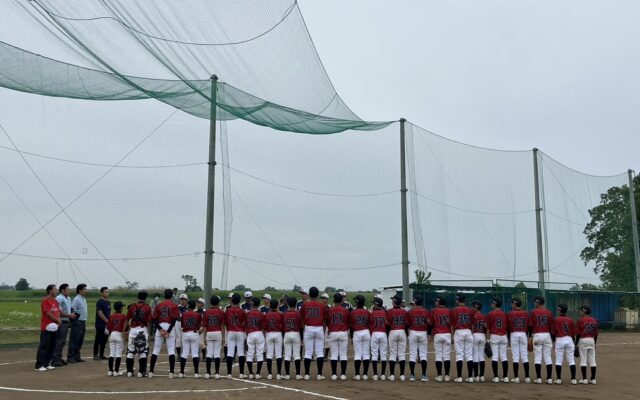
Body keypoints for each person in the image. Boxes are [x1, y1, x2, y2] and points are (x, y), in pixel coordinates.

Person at [148, 288, 180, 379]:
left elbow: (154, 319)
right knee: (171, 350)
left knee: (156, 350)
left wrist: (160, 329)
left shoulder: (159, 305)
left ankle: (151, 372)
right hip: (170, 326)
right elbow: (174, 319)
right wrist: (168, 331)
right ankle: (171, 373)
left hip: (160, 325)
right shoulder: (174, 305)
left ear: (164, 295)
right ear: (172, 295)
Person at [300, 286, 326, 380]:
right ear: (317, 294)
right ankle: (319, 374)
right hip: (319, 328)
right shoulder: (322, 305)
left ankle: (307, 374)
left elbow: (302, 318)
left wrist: (304, 328)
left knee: (308, 352)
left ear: (309, 294)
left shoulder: (305, 304)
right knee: (319, 352)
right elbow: (324, 319)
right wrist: (323, 330)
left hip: (308, 327)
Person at [125, 291, 152, 377]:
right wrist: (149, 333)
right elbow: (149, 322)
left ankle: (129, 372)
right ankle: (141, 372)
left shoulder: (132, 306)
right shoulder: (147, 307)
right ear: (145, 298)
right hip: (142, 329)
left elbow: (127, 319)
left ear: (138, 297)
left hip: (133, 330)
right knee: (143, 350)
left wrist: (124, 331)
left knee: (130, 350)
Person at [35, 284, 61, 371]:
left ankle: (46, 363)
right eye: (55, 289)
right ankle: (39, 365)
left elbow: (57, 312)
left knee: (52, 346)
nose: (56, 291)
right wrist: (57, 320)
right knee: (44, 346)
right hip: (46, 327)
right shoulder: (45, 301)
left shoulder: (56, 301)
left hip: (54, 327)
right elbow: (48, 313)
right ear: (50, 291)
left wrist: (58, 322)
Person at [529, 296, 554, 384]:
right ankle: (549, 378)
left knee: (538, 357)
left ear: (537, 302)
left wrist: (530, 336)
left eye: (535, 302)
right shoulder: (549, 312)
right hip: (547, 335)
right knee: (548, 357)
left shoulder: (533, 312)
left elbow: (531, 325)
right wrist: (552, 338)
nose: (534, 303)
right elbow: (551, 326)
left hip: (537, 335)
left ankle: (539, 378)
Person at [451, 294, 474, 383]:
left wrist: (452, 335)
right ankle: (470, 377)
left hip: (459, 332)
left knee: (459, 354)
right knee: (469, 355)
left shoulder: (454, 310)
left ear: (458, 300)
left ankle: (459, 377)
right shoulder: (471, 310)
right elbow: (472, 323)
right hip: (468, 331)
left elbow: (452, 324)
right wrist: (471, 333)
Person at [51, 283, 76, 367]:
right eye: (68, 289)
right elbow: (59, 312)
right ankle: (55, 360)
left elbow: (69, 309)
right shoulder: (59, 298)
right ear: (62, 290)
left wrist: (71, 314)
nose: (69, 291)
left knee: (62, 341)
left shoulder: (68, 298)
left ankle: (59, 357)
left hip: (66, 321)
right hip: (61, 321)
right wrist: (70, 315)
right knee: (59, 341)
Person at [407, 294, 429, 382]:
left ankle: (412, 375)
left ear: (415, 302)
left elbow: (408, 323)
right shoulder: (426, 311)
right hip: (423, 332)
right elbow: (428, 323)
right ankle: (423, 375)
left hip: (413, 332)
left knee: (412, 354)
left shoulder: (410, 312)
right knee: (423, 354)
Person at [327, 292, 349, 380]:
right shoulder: (345, 310)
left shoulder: (330, 310)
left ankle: (334, 374)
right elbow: (348, 322)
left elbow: (327, 321)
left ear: (333, 300)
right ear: (341, 300)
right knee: (343, 354)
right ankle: (343, 374)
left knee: (334, 354)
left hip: (333, 332)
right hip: (343, 332)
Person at [553, 303, 577, 385]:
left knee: (559, 360)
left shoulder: (556, 319)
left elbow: (553, 332)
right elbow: (573, 333)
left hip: (560, 339)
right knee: (571, 360)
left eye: (558, 309)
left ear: (559, 310)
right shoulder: (570, 320)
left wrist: (553, 342)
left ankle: (559, 379)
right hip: (569, 339)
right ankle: (573, 379)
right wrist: (573, 343)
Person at [508, 297, 530, 383]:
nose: (511, 304)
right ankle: (527, 377)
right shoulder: (526, 313)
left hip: (514, 334)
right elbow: (529, 326)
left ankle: (516, 377)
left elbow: (508, 327)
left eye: (512, 303)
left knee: (515, 356)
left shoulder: (510, 313)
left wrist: (509, 338)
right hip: (523, 334)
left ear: (514, 303)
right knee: (524, 355)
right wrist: (528, 336)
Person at [486, 298, 509, 383]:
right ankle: (505, 377)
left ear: (495, 304)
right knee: (504, 356)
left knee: (495, 357)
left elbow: (488, 328)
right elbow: (507, 327)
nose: (491, 304)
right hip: (503, 336)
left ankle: (496, 377)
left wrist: (487, 339)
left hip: (494, 336)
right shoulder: (505, 314)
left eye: (492, 303)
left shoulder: (490, 314)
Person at [225, 293, 247, 378]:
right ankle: (241, 373)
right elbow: (244, 322)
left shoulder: (228, 310)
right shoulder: (241, 310)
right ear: (239, 301)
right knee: (241, 353)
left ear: (232, 300)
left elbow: (226, 322)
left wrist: (229, 329)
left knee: (230, 353)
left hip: (231, 331)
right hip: (240, 332)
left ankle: (229, 374)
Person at [387, 294, 408, 382]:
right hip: (402, 331)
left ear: (394, 301)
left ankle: (392, 375)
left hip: (393, 331)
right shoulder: (405, 312)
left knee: (392, 353)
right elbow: (407, 323)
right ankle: (402, 375)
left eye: (393, 300)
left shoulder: (389, 311)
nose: (392, 301)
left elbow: (387, 323)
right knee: (401, 354)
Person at [203, 295, 225, 379]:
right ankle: (217, 373)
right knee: (217, 353)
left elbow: (205, 326)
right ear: (218, 302)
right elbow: (222, 325)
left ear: (210, 303)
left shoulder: (207, 312)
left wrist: (204, 337)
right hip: (218, 332)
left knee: (209, 353)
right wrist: (223, 337)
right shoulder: (221, 312)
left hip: (209, 332)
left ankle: (208, 373)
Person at [179, 299, 202, 378]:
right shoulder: (198, 314)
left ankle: (181, 372)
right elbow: (200, 325)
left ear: (188, 306)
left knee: (184, 353)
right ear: (194, 306)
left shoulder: (183, 314)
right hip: (194, 333)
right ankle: (196, 373)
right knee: (195, 353)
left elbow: (182, 325)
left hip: (185, 333)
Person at [576, 305, 598, 385]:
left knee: (583, 360)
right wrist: (594, 343)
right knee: (592, 360)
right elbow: (596, 334)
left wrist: (576, 343)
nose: (580, 312)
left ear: (584, 311)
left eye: (581, 310)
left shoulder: (580, 320)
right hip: (591, 340)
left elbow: (578, 334)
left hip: (583, 339)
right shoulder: (594, 320)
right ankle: (593, 379)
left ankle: (584, 379)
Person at [431, 296, 452, 382]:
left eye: (437, 301)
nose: (435, 302)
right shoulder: (449, 311)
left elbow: (430, 322)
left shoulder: (434, 310)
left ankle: (439, 376)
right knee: (446, 356)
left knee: (438, 355)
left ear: (439, 302)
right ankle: (447, 376)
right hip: (447, 334)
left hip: (438, 334)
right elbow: (451, 323)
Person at [351, 294, 371, 380]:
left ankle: (357, 374)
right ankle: (365, 374)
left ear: (357, 302)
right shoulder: (367, 312)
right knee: (366, 354)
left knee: (358, 354)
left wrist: (351, 336)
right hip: (366, 332)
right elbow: (370, 323)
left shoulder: (353, 312)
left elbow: (351, 326)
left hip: (357, 332)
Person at [282, 296, 302, 380]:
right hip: (296, 333)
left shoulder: (285, 313)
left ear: (288, 304)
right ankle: (298, 374)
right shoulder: (298, 313)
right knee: (297, 355)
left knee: (287, 355)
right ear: (295, 304)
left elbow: (283, 325)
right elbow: (300, 326)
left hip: (287, 333)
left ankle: (287, 374)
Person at [245, 297, 266, 379]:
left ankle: (250, 373)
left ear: (252, 304)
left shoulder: (248, 313)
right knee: (259, 354)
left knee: (250, 353)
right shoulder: (261, 314)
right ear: (259, 304)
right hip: (259, 332)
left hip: (250, 333)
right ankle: (257, 373)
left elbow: (246, 324)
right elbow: (263, 326)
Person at [67, 283, 88, 363]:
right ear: (80, 290)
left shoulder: (83, 299)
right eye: (84, 289)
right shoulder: (77, 299)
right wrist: (73, 321)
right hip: (77, 321)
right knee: (74, 340)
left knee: (80, 340)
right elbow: (73, 309)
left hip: (83, 321)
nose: (85, 291)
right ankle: (70, 357)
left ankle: (76, 355)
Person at [264, 299, 283, 379]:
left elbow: (265, 326)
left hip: (269, 334)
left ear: (270, 306)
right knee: (278, 354)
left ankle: (270, 374)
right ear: (277, 306)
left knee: (269, 354)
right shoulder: (280, 314)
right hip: (278, 333)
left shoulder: (267, 314)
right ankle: (278, 374)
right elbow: (282, 325)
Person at [369, 297, 388, 381]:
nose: (373, 304)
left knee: (374, 354)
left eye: (374, 303)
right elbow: (387, 324)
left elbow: (370, 324)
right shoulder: (385, 313)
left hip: (375, 333)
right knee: (383, 354)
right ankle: (383, 375)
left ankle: (375, 375)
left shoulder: (372, 313)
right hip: (383, 333)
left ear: (376, 304)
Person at [106, 301, 126, 376]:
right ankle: (116, 371)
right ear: (120, 308)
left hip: (112, 334)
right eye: (122, 307)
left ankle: (110, 371)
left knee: (112, 353)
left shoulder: (112, 316)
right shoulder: (123, 316)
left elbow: (108, 327)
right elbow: (126, 326)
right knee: (118, 354)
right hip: (119, 334)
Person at [471, 300, 487, 382]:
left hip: (475, 335)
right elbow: (485, 327)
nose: (472, 308)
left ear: (476, 307)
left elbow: (472, 327)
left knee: (475, 356)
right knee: (481, 356)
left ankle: (476, 376)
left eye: (473, 306)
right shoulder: (484, 316)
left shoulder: (473, 315)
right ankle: (482, 376)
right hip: (482, 335)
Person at [94, 287, 111, 360]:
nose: (107, 293)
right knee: (98, 339)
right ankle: (95, 354)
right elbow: (100, 313)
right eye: (105, 292)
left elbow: (109, 313)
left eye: (108, 292)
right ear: (101, 293)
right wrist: (107, 321)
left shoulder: (108, 302)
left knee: (105, 339)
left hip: (107, 324)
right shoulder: (99, 302)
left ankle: (102, 354)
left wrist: (109, 321)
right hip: (100, 323)